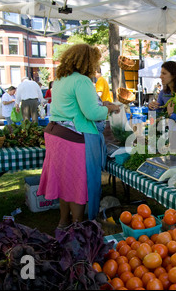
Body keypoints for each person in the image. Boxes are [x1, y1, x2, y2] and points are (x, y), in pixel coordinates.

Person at [36, 43, 120, 229]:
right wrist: (110, 108)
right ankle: (77, 226)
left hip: (56, 134)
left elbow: (76, 106)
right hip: (73, 138)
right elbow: (91, 113)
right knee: (77, 185)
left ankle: (63, 222)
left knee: (65, 184)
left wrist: (100, 105)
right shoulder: (82, 81)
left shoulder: (60, 79)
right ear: (87, 62)